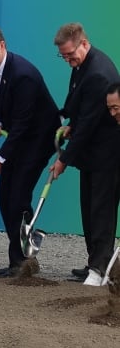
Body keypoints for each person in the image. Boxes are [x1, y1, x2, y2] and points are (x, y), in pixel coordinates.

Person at [0, 25, 61, 277]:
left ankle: (24, 262)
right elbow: (4, 105)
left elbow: (23, 122)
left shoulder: (23, 74)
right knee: (4, 198)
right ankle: (19, 259)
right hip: (19, 139)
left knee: (18, 198)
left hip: (37, 141)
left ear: (1, 45)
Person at [51, 23, 120, 286]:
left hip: (107, 154)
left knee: (102, 211)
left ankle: (99, 270)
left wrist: (63, 160)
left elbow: (91, 122)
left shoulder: (98, 73)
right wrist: (70, 124)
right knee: (89, 209)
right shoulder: (81, 65)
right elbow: (79, 105)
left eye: (71, 55)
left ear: (84, 43)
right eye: (64, 56)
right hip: (91, 153)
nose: (68, 61)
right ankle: (96, 261)